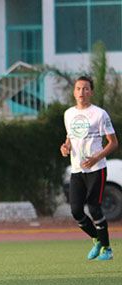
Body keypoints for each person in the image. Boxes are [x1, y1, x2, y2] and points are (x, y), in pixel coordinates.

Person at [60, 75, 118, 261]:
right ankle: (97, 239)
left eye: (85, 89)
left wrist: (96, 158)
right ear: (74, 92)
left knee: (94, 208)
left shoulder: (100, 114)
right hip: (77, 169)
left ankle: (107, 249)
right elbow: (69, 138)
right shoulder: (68, 114)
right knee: (76, 211)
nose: (81, 92)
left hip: (97, 169)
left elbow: (113, 143)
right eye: (78, 89)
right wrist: (65, 147)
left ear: (91, 92)